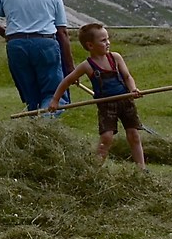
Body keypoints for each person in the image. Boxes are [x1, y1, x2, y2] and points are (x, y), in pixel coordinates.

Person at [45, 22, 146, 168]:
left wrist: (133, 89)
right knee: (106, 138)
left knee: (134, 135)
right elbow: (66, 81)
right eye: (103, 40)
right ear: (90, 45)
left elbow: (127, 77)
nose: (108, 43)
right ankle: (95, 169)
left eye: (108, 39)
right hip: (106, 105)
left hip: (125, 101)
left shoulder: (115, 58)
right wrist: (55, 100)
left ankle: (141, 169)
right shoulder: (87, 66)